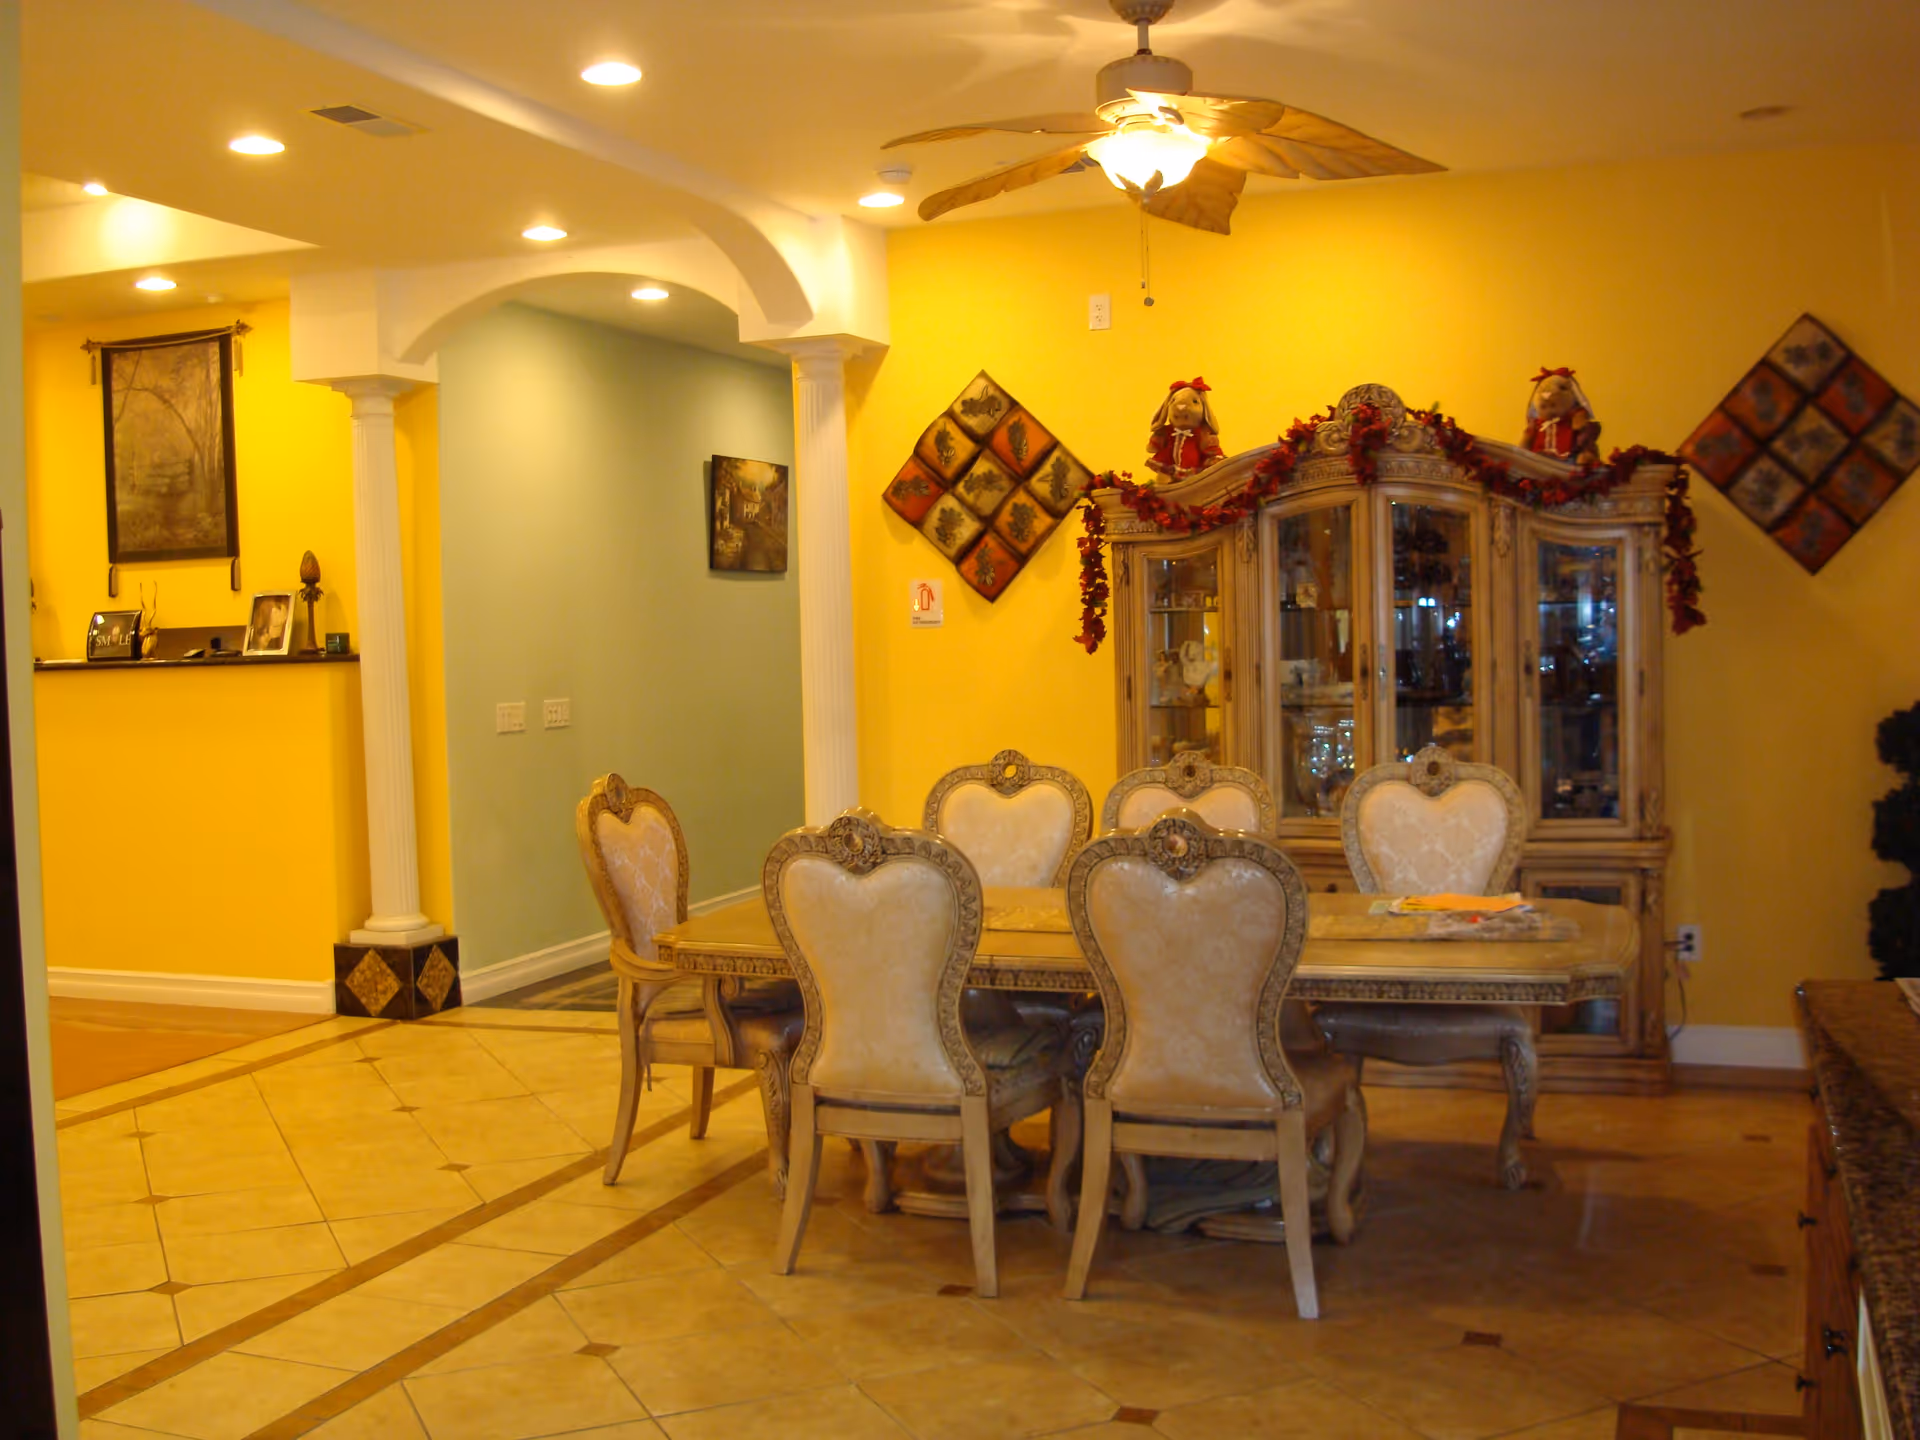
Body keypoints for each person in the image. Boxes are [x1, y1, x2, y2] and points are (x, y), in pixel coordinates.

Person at [1146, 377, 1224, 481]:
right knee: (1163, 478)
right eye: (1173, 400)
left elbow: (1212, 452)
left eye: (1195, 402)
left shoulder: (1202, 433)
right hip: (1168, 465)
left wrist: (1215, 459)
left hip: (1192, 471)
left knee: (1195, 480)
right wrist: (1155, 442)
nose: (1181, 407)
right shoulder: (1167, 431)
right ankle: (1164, 484)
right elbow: (1154, 446)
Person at [1522, 367, 1602, 465]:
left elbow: (1582, 429)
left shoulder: (1570, 418)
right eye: (1544, 406)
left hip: (1566, 460)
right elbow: (1526, 440)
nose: (1550, 411)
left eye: (1553, 405)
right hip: (1538, 460)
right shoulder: (1537, 424)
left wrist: (1580, 416)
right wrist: (1521, 454)